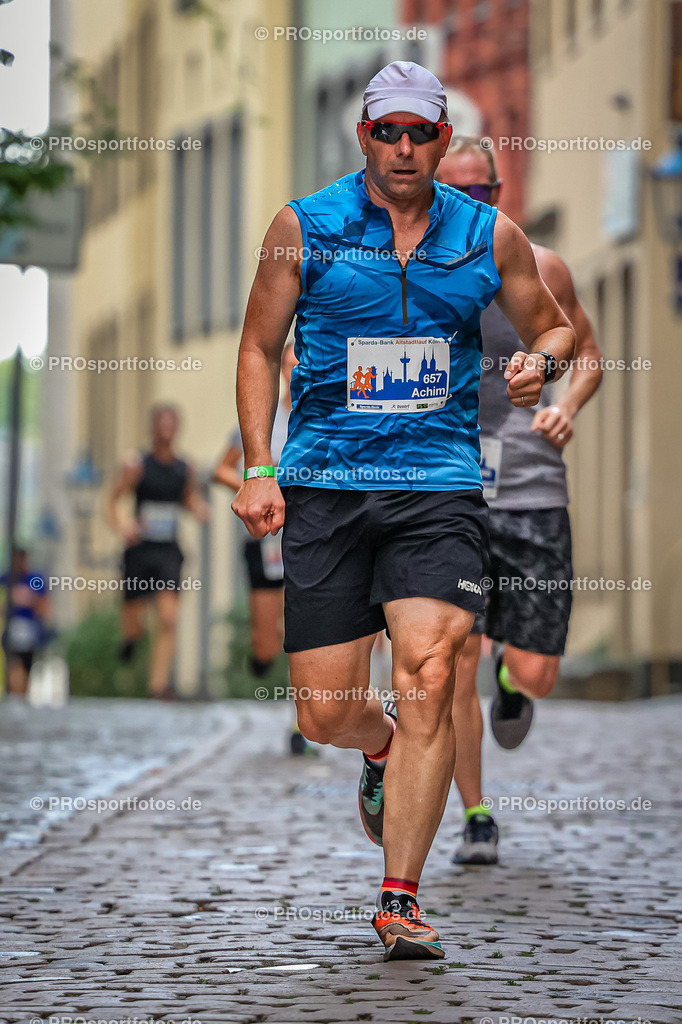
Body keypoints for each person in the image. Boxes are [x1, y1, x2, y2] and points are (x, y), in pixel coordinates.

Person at [231, 61, 575, 960]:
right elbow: (260, 348)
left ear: (442, 138)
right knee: (324, 711)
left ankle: (399, 898)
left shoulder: (486, 235)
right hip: (326, 488)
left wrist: (547, 360)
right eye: (388, 130)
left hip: (439, 487)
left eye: (420, 131)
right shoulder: (302, 227)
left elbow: (556, 324)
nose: (404, 147)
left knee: (430, 668)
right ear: (364, 136)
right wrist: (259, 465)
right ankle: (375, 750)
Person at [436, 138, 603, 865]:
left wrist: (568, 403)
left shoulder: (542, 266)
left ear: (501, 193)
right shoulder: (414, 273)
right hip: (450, 487)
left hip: (532, 485)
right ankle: (476, 814)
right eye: (459, 195)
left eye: (486, 194)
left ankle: (514, 681)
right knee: (454, 657)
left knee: (535, 669)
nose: (474, 208)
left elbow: (588, 352)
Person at [213, 343, 310, 754]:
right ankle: (259, 655)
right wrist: (257, 488)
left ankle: (299, 723)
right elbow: (220, 467)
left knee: (301, 630)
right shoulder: (263, 416)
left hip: (307, 533)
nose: (295, 369)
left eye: (300, 362)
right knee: (267, 643)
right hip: (266, 540)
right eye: (288, 363)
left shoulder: (320, 412)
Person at [107, 404, 210, 699]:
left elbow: (188, 499)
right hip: (140, 549)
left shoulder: (184, 468)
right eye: (161, 422)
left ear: (178, 428)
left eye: (172, 423)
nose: (167, 428)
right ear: (153, 427)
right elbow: (111, 501)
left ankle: (158, 685)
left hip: (168, 550)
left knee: (167, 619)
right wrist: (123, 525)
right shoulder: (136, 464)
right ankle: (130, 638)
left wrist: (200, 510)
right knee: (135, 622)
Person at [1, 547, 49, 696]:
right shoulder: (5, 578)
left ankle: (20, 695)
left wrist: (29, 599)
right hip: (10, 629)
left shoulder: (35, 579)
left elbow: (45, 607)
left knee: (26, 667)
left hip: (29, 631)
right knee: (14, 665)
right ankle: (13, 694)